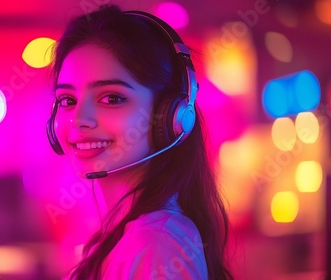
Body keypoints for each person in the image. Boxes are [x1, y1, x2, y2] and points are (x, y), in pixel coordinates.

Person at [46, 4, 233, 280]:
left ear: (170, 115)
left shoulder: (154, 246)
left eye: (111, 98)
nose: (79, 119)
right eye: (68, 101)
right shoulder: (130, 236)